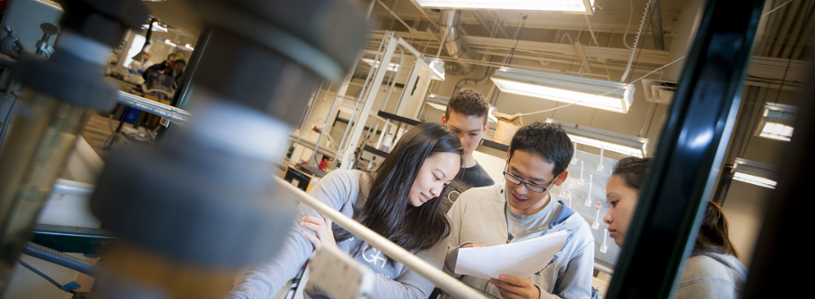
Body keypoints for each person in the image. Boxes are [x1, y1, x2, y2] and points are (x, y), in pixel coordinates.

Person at [228, 122, 464, 299]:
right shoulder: (346, 186)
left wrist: (337, 262)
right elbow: (290, 247)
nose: (436, 191)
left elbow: (410, 296)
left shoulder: (436, 231)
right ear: (411, 159)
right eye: (436, 177)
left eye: (445, 184)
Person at [441, 122, 594, 299]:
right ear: (508, 155)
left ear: (560, 178)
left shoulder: (576, 235)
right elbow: (430, 269)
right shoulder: (471, 199)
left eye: (535, 183)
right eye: (515, 175)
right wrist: (456, 259)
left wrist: (538, 297)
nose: (520, 190)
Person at [603, 157, 747, 299]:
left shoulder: (695, 277)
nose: (606, 218)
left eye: (614, 202)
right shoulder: (673, 269)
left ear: (654, 201)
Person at [439, 88, 495, 214]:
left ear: (485, 130)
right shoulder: (423, 159)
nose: (462, 142)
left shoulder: (486, 187)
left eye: (473, 134)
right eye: (455, 131)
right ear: (444, 123)